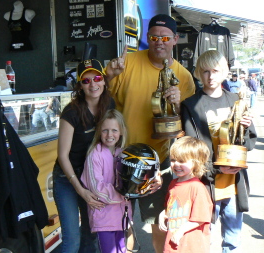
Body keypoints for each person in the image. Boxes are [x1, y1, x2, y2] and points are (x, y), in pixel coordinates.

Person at [106, 14, 196, 252]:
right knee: (122, 219)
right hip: (122, 157)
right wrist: (108, 76)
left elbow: (188, 123)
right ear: (147, 38)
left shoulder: (184, 77)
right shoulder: (127, 63)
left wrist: (178, 104)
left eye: (165, 37)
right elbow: (101, 100)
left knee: (158, 220)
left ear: (175, 39)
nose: (159, 42)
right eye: (154, 37)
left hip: (159, 160)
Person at [180, 50, 257, 252]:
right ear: (198, 73)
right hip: (206, 184)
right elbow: (191, 151)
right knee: (205, 239)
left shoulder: (236, 100)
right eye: (205, 71)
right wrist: (216, 171)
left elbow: (249, 144)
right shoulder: (190, 105)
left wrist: (246, 128)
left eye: (215, 70)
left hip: (234, 184)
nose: (210, 76)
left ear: (224, 72)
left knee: (233, 239)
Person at [53, 59, 115, 253]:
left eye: (96, 78)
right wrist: (81, 190)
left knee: (91, 236)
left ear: (104, 80)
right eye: (86, 81)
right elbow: (62, 156)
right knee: (72, 240)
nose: (93, 84)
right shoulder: (71, 112)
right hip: (67, 179)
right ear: (80, 86)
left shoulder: (109, 104)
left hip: (92, 178)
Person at [80, 109, 131, 253]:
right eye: (105, 130)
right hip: (103, 216)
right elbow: (97, 188)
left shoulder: (124, 153)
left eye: (114, 130)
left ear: (121, 131)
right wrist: (125, 194)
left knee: (121, 250)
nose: (110, 135)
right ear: (99, 132)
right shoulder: (94, 154)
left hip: (122, 216)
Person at [158, 136, 213, 253]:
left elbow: (201, 218)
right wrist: (164, 213)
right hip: (173, 243)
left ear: (196, 163)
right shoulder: (173, 183)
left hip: (191, 246)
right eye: (173, 160)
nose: (176, 164)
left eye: (182, 161)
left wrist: (181, 231)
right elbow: (171, 206)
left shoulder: (197, 187)